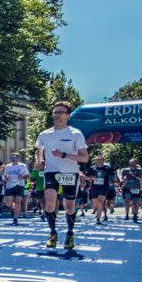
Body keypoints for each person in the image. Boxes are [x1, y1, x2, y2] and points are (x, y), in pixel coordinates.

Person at [33, 101, 89, 249]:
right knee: (50, 203)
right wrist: (39, 161)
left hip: (69, 172)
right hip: (51, 171)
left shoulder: (75, 134)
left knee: (69, 206)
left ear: (68, 116)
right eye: (55, 112)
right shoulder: (45, 134)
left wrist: (64, 155)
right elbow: (38, 150)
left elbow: (84, 158)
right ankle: (52, 233)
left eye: (60, 112)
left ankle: (70, 233)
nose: (57, 115)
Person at [1, 152, 29, 225]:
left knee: (18, 201)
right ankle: (12, 208)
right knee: (8, 203)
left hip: (19, 185)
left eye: (15, 157)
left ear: (18, 158)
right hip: (10, 186)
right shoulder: (7, 166)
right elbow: (4, 176)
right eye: (11, 157)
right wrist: (5, 179)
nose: (13, 159)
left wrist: (23, 177)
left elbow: (27, 176)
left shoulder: (22, 166)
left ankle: (15, 218)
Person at [120, 158, 142, 222]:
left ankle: (135, 215)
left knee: (135, 202)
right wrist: (123, 180)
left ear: (136, 163)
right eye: (131, 162)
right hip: (126, 188)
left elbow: (141, 179)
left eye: (133, 162)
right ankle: (126, 215)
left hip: (135, 188)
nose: (132, 163)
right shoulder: (125, 170)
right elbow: (121, 179)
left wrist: (133, 175)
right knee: (127, 201)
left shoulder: (139, 170)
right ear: (129, 163)